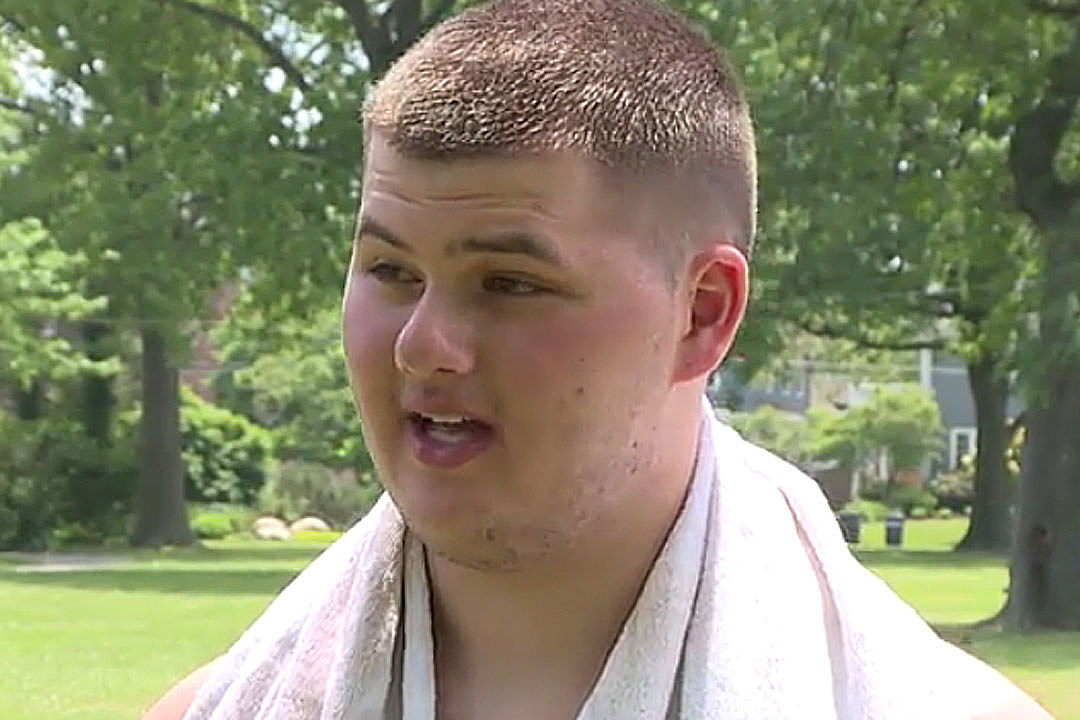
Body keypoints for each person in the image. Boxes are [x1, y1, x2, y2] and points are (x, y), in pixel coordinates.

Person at [145, 1, 1053, 718]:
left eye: (509, 282)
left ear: (702, 314)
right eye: (389, 270)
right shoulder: (224, 709)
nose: (422, 342)